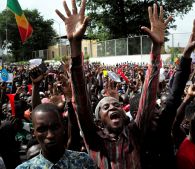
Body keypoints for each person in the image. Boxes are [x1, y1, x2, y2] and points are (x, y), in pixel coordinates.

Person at [55, 0, 174, 168]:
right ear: (98, 121)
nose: (112, 108)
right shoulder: (93, 139)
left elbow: (147, 101)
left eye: (116, 105)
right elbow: (81, 103)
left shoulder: (135, 133)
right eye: (105, 107)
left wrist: (156, 48)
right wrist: (75, 44)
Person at [16, 103, 96, 168]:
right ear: (34, 133)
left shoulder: (83, 162)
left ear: (63, 127)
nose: (50, 135)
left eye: (55, 127)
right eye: (42, 129)